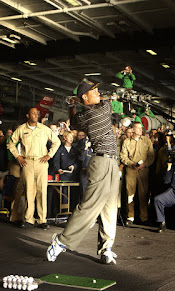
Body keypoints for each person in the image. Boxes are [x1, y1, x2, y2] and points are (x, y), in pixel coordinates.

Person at [47, 80, 120, 265]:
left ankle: (106, 248)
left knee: (110, 208)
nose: (98, 92)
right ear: (85, 97)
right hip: (102, 161)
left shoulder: (82, 116)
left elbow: (75, 119)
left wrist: (74, 105)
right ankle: (61, 241)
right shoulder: (102, 110)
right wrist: (77, 102)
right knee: (90, 206)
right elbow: (105, 103)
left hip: (112, 162)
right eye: (93, 90)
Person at [8, 107, 61, 229]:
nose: (36, 115)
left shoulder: (44, 129)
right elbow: (10, 143)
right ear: (27, 115)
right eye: (33, 113)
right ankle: (28, 219)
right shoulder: (21, 129)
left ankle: (42, 220)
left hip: (41, 162)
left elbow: (57, 142)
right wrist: (18, 157)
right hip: (27, 162)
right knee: (29, 191)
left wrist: (49, 155)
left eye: (37, 113)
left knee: (42, 191)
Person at [120, 122, 155, 226]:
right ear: (133, 130)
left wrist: (144, 165)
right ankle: (130, 217)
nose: (141, 130)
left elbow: (151, 156)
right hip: (131, 170)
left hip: (143, 171)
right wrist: (132, 164)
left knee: (143, 194)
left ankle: (144, 217)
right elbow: (123, 156)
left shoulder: (147, 141)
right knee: (130, 194)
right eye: (138, 128)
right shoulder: (126, 141)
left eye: (141, 128)